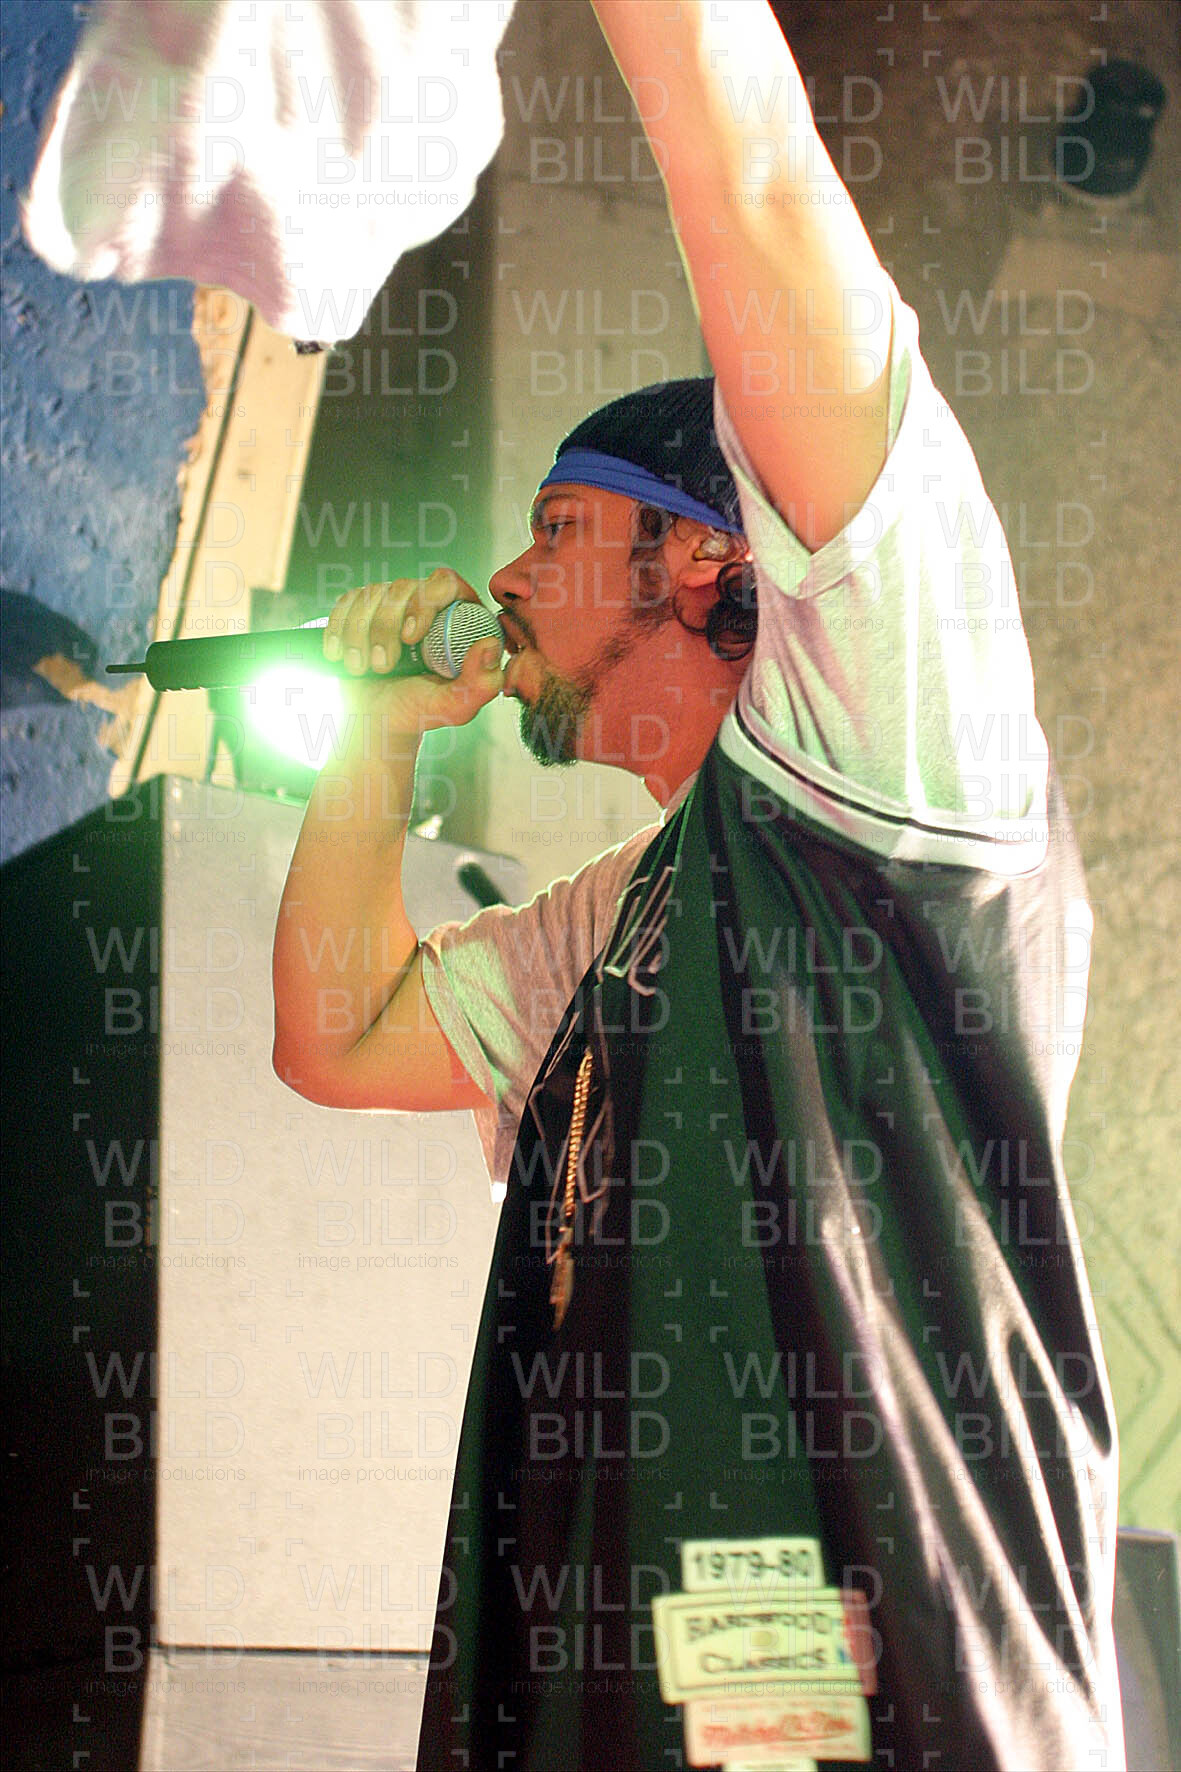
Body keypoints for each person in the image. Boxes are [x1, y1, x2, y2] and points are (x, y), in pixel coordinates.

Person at [272, 4, 1124, 1767]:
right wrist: (374, 740)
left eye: (558, 531)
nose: (507, 580)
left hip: (903, 1708)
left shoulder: (893, 737)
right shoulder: (624, 919)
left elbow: (756, 184)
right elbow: (337, 1038)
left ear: (707, 555)